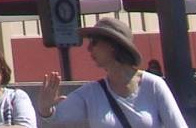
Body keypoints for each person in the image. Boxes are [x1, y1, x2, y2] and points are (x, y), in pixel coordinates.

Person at [36, 15, 187, 128]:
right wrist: (45, 109)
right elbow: (55, 119)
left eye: (94, 43)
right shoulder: (90, 93)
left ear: (112, 46)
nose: (88, 49)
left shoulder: (153, 85)